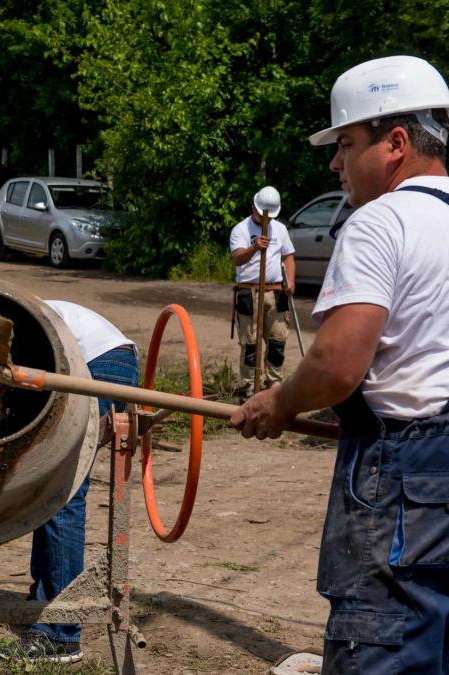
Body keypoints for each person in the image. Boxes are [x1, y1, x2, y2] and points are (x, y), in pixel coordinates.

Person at [232, 55, 449, 673]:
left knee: (385, 645)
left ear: (397, 143)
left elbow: (335, 364)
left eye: (346, 143)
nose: (335, 163)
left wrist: (279, 401)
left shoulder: (382, 220)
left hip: (402, 480)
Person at [0, 300, 137, 664]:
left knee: (64, 491)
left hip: (97, 363)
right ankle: (47, 603)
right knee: (50, 486)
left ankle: (61, 635)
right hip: (104, 358)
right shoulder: (3, 318)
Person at [228, 186, 295, 395]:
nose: (265, 218)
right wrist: (255, 248)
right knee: (250, 343)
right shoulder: (241, 230)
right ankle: (248, 385)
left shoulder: (280, 229)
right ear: (253, 207)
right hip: (250, 293)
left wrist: (290, 280)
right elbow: (238, 258)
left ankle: (273, 383)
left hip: (275, 292)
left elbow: (288, 256)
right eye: (261, 213)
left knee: (277, 340)